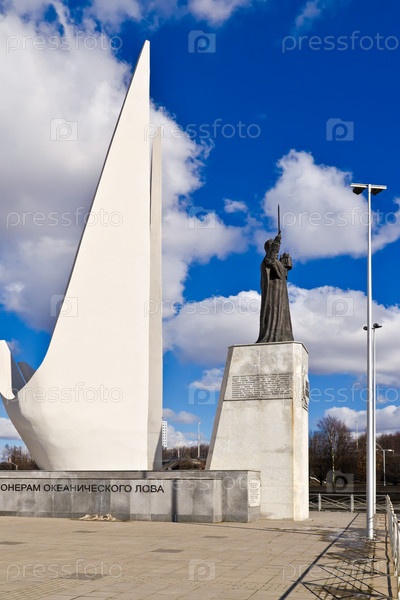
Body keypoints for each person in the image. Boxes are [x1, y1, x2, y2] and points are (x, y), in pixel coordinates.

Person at [256, 232, 294, 343]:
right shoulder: (267, 260)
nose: (277, 250)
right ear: (270, 248)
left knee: (282, 315)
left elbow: (282, 273)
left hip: (281, 293)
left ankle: (282, 335)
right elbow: (270, 260)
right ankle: (272, 336)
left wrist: (285, 267)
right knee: (274, 313)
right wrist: (277, 241)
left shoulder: (278, 262)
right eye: (274, 247)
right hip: (273, 294)